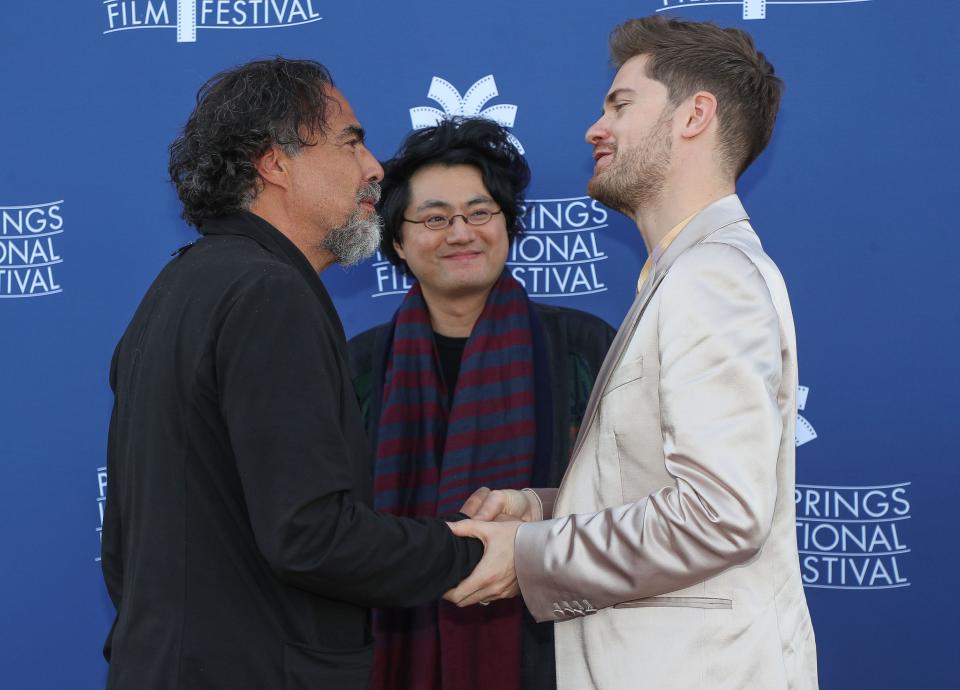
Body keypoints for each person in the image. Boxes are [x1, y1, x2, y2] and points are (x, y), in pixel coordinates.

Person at [446, 16, 819, 690]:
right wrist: (543, 507)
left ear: (694, 115)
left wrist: (531, 555)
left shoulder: (712, 277)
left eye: (620, 105)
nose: (596, 128)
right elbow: (665, 491)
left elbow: (718, 514)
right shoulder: (684, 275)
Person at [100, 58, 483, 690]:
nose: (374, 169)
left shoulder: (175, 289)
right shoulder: (268, 294)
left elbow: (124, 553)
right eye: (351, 141)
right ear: (275, 163)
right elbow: (310, 536)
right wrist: (477, 552)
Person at [347, 118, 615, 690]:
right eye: (435, 218)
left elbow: (629, 500)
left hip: (556, 652)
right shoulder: (360, 369)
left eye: (480, 212)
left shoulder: (584, 349)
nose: (461, 233)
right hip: (393, 647)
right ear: (396, 239)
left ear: (509, 226)